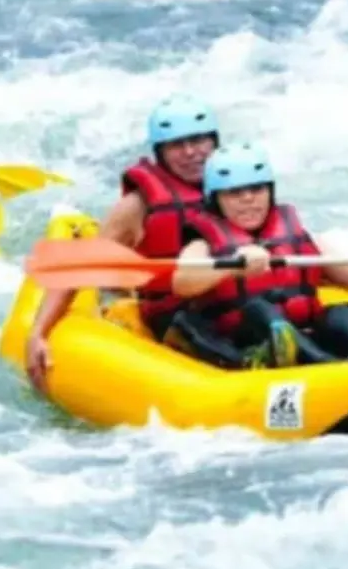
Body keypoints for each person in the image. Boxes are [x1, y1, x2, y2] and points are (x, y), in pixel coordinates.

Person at [25, 95, 236, 391]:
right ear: (160, 153)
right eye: (176, 145)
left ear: (215, 142)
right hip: (175, 316)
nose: (190, 153)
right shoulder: (137, 206)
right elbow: (83, 267)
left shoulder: (239, 191)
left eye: (198, 141)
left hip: (231, 302)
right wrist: (39, 332)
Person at [172, 142, 348, 369]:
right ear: (216, 200)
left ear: (270, 192)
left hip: (301, 333)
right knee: (260, 311)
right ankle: (331, 367)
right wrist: (231, 267)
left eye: (256, 189)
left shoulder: (300, 236)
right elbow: (183, 281)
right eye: (235, 193)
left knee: (346, 312)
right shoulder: (202, 244)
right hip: (245, 341)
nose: (248, 199)